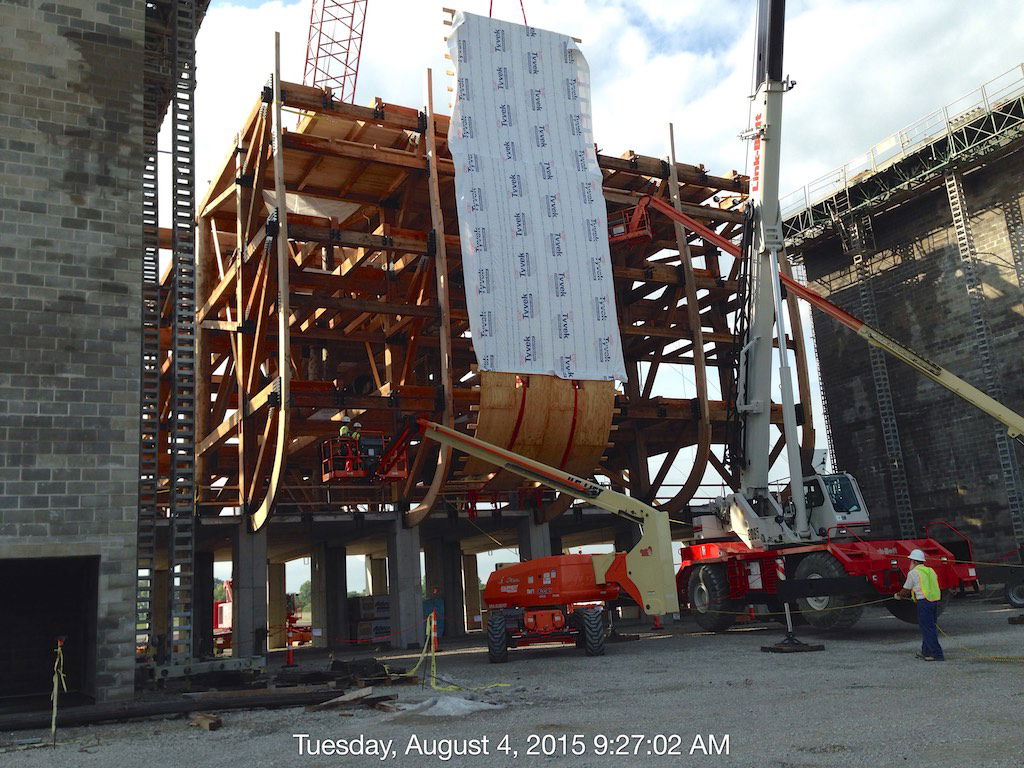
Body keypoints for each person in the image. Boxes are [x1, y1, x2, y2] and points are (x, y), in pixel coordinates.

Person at [896, 549, 944, 661]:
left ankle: (937, 654)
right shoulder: (930, 570)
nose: (910, 563)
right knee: (929, 627)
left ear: (914, 561)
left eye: (911, 561)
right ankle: (926, 651)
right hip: (934, 601)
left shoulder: (913, 573)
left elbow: (906, 590)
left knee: (927, 629)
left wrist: (897, 595)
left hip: (924, 602)